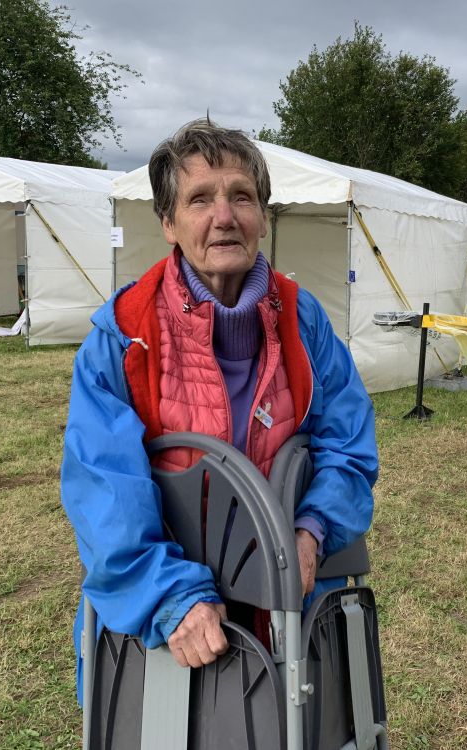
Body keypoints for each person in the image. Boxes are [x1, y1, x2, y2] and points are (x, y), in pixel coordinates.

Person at [60, 119, 378, 702]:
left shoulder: (306, 324)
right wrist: (171, 598)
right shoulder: (124, 336)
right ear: (168, 222)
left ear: (262, 215)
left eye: (241, 196)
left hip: (286, 616)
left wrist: (311, 531)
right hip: (169, 634)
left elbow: (349, 448)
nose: (224, 216)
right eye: (199, 199)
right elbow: (103, 488)